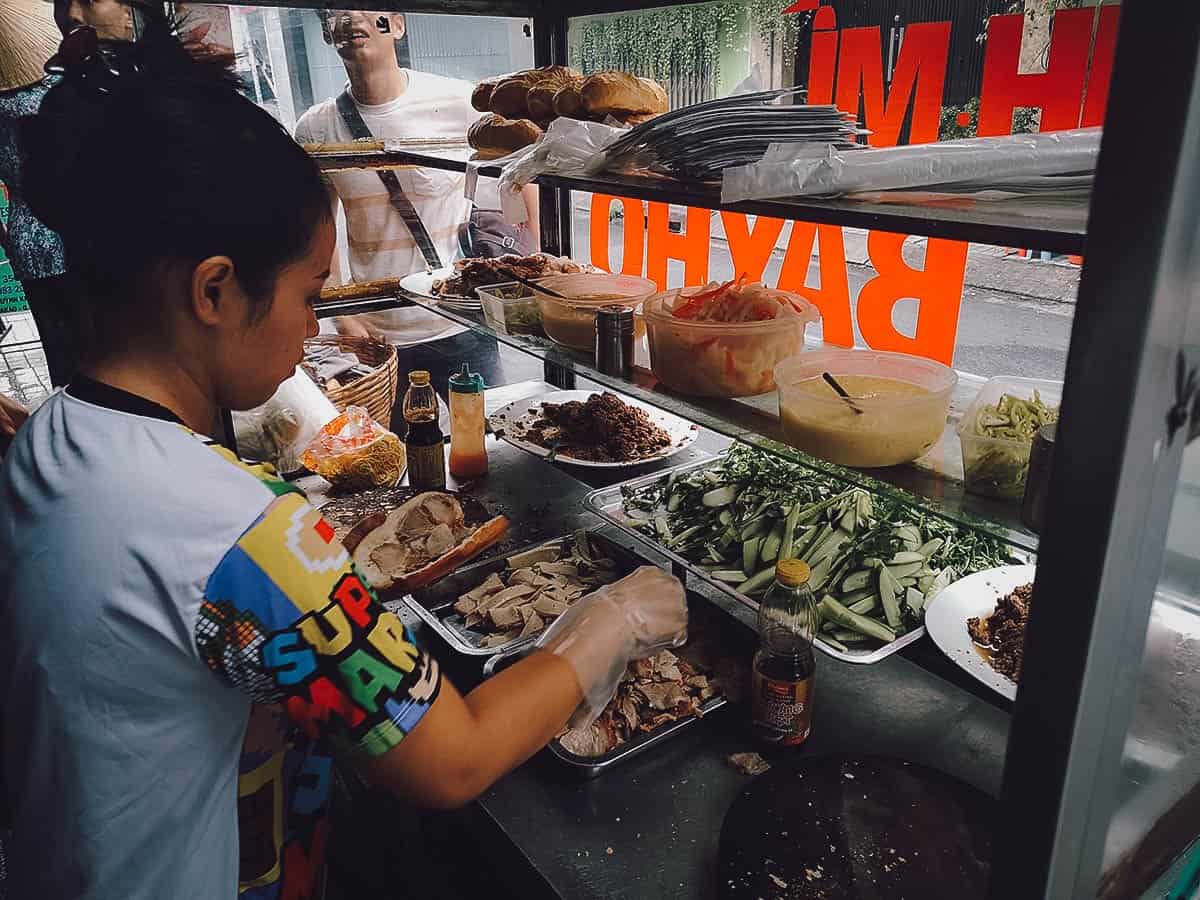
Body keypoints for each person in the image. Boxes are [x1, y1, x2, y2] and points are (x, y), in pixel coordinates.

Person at [0, 26, 686, 900]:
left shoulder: (53, 436)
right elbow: (454, 761)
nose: (312, 328)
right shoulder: (243, 531)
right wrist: (611, 621)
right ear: (213, 291)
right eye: (308, 294)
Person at [294, 10, 538, 398]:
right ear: (327, 30)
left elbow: (522, 173)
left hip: (460, 321)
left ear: (397, 24)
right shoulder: (315, 126)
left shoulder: (459, 102)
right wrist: (344, 316)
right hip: (379, 333)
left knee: (488, 443)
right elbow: (317, 225)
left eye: (366, 8)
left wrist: (535, 265)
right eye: (337, 11)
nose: (351, 18)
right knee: (404, 452)